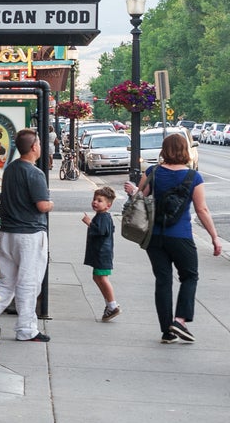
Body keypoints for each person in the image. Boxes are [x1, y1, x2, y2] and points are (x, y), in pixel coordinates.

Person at [124, 133, 222, 344]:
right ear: (185, 150)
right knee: (189, 276)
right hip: (181, 236)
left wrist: (133, 191)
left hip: (155, 237)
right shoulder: (193, 177)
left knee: (163, 280)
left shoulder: (152, 172)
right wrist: (214, 237)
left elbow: (140, 199)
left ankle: (167, 331)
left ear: (164, 149)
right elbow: (202, 209)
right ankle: (179, 320)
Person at [0, 129, 54, 342]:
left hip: (8, 233)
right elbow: (42, 205)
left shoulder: (10, 169)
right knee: (29, 281)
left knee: (7, 279)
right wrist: (51, 203)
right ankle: (26, 329)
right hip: (29, 234)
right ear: (35, 147)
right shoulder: (35, 173)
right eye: (39, 142)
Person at [81, 186, 120, 322]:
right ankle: (109, 304)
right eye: (94, 199)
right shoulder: (102, 216)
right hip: (100, 253)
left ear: (108, 205)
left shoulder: (103, 217)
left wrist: (89, 223)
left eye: (99, 200)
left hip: (103, 254)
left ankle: (112, 304)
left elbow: (101, 231)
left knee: (102, 278)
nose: (95, 202)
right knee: (97, 277)